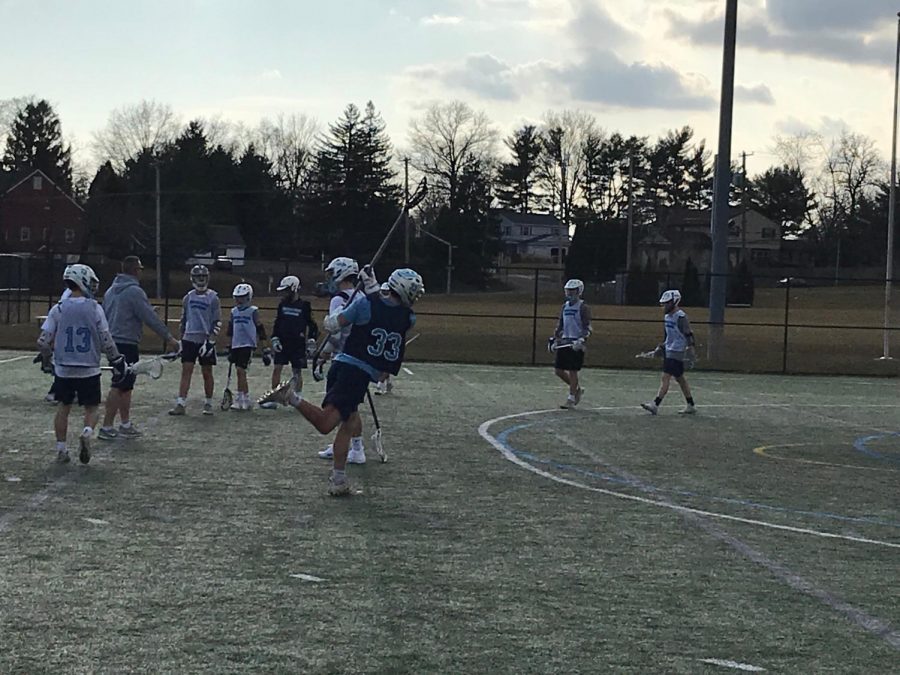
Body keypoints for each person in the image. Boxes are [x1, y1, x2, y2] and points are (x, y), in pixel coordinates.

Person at [259, 268, 423, 496]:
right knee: (327, 424)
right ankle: (291, 397)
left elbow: (334, 324)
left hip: (346, 365)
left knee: (347, 424)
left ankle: (339, 479)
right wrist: (372, 287)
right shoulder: (407, 317)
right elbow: (387, 311)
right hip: (354, 372)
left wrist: (358, 299)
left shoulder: (365, 304)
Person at [36, 264, 127, 464]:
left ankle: (61, 449)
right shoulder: (95, 308)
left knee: (63, 407)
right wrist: (117, 359)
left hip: (64, 369)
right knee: (92, 408)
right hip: (89, 369)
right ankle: (86, 432)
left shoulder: (58, 308)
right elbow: (106, 338)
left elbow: (43, 341)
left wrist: (47, 359)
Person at [98, 256, 180, 440]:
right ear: (135, 270)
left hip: (113, 342)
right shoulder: (134, 291)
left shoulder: (111, 291)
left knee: (126, 385)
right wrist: (170, 339)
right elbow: (150, 319)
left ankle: (125, 424)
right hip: (125, 343)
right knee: (119, 385)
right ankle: (107, 426)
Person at [314, 257, 376, 464]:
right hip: (361, 356)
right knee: (351, 407)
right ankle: (355, 446)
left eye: (332, 274)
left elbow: (336, 332)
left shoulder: (339, 299)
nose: (330, 278)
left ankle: (355, 449)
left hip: (344, 358)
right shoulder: (362, 296)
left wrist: (323, 355)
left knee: (339, 408)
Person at [260, 275, 318, 409]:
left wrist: (311, 340)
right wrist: (275, 338)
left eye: (287, 290)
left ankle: (298, 397)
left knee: (297, 371)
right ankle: (274, 398)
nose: (285, 293)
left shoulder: (304, 306)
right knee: (277, 368)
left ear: (294, 288)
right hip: (283, 343)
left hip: (298, 344)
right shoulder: (282, 304)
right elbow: (278, 323)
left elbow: (313, 325)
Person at [170, 265, 221, 416]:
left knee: (207, 372)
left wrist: (210, 342)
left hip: (205, 340)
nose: (201, 280)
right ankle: (181, 403)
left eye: (203, 277)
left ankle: (209, 403)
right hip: (189, 339)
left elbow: (217, 322)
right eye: (198, 277)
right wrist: (181, 340)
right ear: (192, 278)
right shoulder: (188, 297)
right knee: (186, 371)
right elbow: (183, 319)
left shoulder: (213, 298)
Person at [641, 289, 697, 415]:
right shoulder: (667, 316)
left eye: (667, 303)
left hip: (677, 351)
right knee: (680, 379)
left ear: (675, 302)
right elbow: (668, 337)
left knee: (665, 377)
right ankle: (691, 404)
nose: (665, 306)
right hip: (670, 350)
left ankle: (655, 404)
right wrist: (660, 348)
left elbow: (688, 334)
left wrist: (691, 350)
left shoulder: (681, 317)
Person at [227, 282, 271, 410]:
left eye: (242, 297)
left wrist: (264, 348)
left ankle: (242, 397)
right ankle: (242, 397)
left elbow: (260, 329)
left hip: (247, 344)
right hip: (236, 345)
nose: (239, 300)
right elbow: (231, 329)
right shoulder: (233, 312)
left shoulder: (253, 311)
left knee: (241, 370)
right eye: (237, 297)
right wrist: (230, 346)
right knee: (239, 372)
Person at [550, 279, 592, 409]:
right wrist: (554, 339)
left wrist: (581, 340)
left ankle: (571, 398)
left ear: (578, 291)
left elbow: (587, 327)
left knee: (573, 371)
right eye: (568, 291)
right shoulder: (565, 306)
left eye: (572, 291)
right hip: (565, 342)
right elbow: (560, 325)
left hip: (576, 343)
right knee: (558, 370)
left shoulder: (583, 307)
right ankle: (577, 389)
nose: (569, 294)